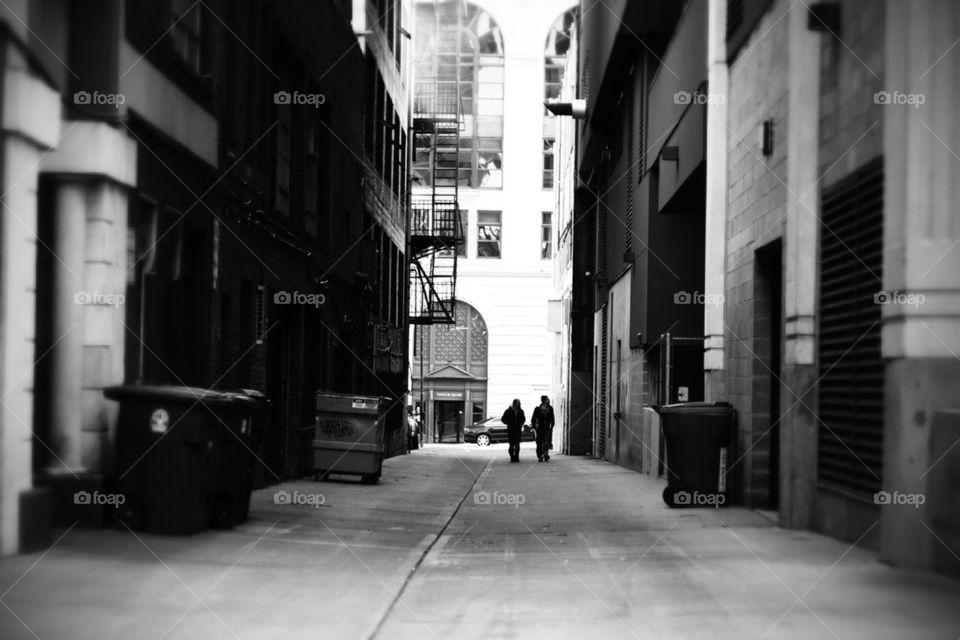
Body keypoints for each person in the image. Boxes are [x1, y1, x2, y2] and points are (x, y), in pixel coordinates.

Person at [532, 395, 555, 462]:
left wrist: (552, 425)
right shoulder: (537, 409)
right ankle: (540, 456)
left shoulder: (550, 408)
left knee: (546, 442)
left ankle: (546, 455)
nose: (549, 400)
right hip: (540, 428)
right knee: (539, 442)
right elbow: (533, 418)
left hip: (547, 428)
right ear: (544, 400)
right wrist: (534, 427)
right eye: (548, 399)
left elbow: (552, 418)